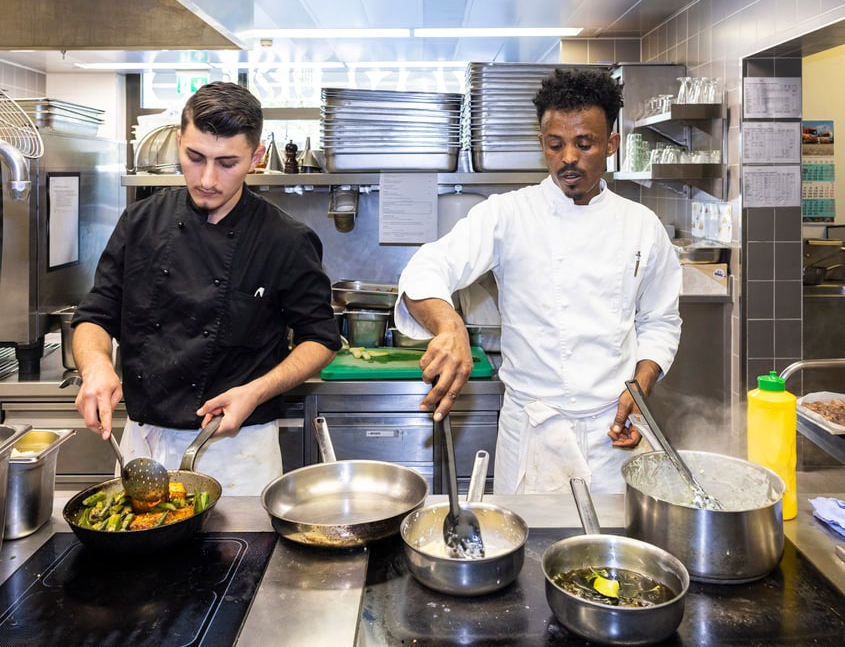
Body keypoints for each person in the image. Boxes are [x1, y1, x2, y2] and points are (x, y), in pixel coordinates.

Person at [394, 67, 682, 494]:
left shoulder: (642, 225)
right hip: (533, 431)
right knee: (529, 556)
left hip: (614, 432)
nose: (568, 158)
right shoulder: (509, 214)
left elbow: (660, 321)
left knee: (618, 554)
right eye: (555, 144)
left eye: (584, 144)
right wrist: (449, 324)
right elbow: (428, 266)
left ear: (611, 146)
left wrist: (639, 390)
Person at [72, 81, 341, 496]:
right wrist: (95, 367)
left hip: (238, 451)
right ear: (179, 141)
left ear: (257, 157)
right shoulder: (139, 223)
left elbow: (320, 339)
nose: (208, 179)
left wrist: (256, 391)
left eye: (227, 163)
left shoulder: (286, 240)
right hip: (143, 446)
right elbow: (96, 314)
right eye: (194, 157)